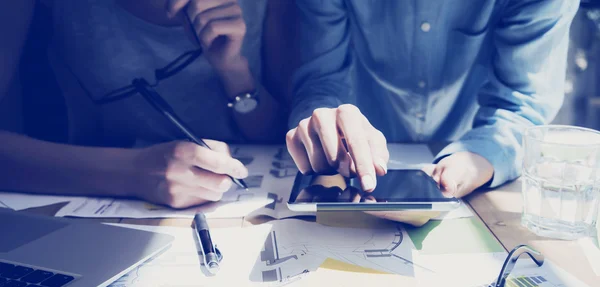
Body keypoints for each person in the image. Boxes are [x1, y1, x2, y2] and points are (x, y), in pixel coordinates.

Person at [286, 0, 579, 221]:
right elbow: (319, 78)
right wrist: (323, 122)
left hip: (474, 168)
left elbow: (522, 101)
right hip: (349, 160)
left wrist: (476, 159)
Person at [0, 0, 293, 208]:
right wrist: (134, 172)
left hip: (244, 194)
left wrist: (232, 69)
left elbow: (277, 133)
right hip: (102, 201)